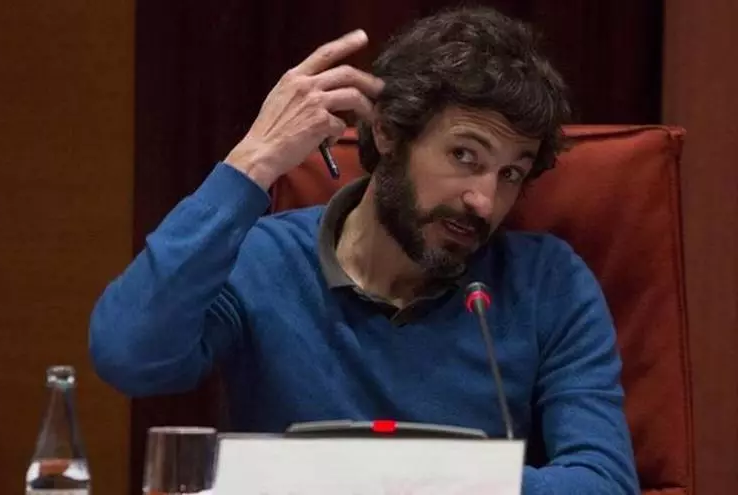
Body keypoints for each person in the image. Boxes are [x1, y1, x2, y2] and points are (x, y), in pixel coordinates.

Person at [89, 6, 640, 494]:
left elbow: (603, 481)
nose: (484, 201)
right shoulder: (261, 260)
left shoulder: (548, 283)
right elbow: (128, 356)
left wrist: (395, 479)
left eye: (511, 173)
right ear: (387, 133)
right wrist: (253, 163)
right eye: (465, 156)